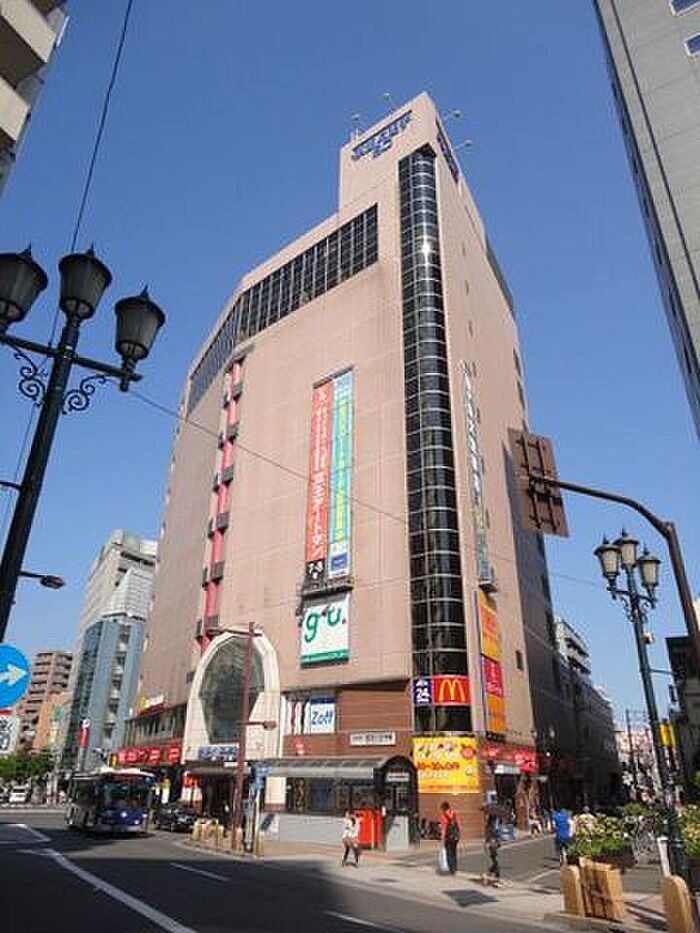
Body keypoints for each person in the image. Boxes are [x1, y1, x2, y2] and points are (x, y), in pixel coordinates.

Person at [439, 801, 460, 875]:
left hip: (448, 837)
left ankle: (451, 870)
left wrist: (442, 838)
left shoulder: (443, 816)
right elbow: (458, 824)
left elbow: (444, 828)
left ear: (443, 808)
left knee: (449, 853)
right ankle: (455, 868)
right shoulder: (454, 813)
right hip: (455, 836)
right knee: (454, 852)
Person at [484, 813, 501, 884]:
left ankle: (488, 874)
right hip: (491, 845)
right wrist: (488, 843)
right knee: (495, 862)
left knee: (495, 862)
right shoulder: (489, 827)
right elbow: (489, 837)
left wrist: (497, 841)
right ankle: (497, 877)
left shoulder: (492, 827)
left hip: (493, 845)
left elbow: (495, 836)